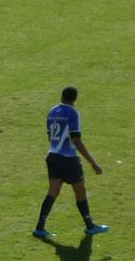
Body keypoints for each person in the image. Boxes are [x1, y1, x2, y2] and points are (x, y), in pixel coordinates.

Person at [33, 86, 108, 238]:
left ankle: (39, 228)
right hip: (68, 158)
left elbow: (50, 136)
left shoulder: (52, 111)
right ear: (75, 99)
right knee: (80, 192)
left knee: (52, 192)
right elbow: (77, 140)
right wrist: (93, 162)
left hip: (52, 155)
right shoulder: (73, 113)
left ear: (62, 97)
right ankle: (90, 226)